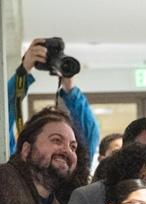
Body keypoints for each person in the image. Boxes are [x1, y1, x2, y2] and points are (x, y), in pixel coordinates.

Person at [8, 38, 100, 168]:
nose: (65, 149)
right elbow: (1, 116)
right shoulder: (16, 171)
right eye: (56, 140)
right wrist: (24, 70)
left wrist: (70, 87)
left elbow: (90, 132)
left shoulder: (76, 177)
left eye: (73, 146)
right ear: (27, 149)